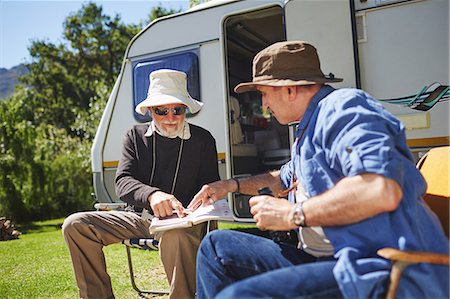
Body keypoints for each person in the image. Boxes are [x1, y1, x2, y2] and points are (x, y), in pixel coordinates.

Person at [189, 41, 449, 298]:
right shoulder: (308, 127)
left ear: (289, 89)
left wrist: (294, 214)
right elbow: (282, 179)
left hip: (378, 267)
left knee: (237, 295)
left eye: (264, 93)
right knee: (216, 246)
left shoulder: (343, 108)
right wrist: (229, 185)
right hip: (325, 258)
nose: (264, 104)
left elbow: (379, 189)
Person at [62, 69, 220, 299]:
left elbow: (211, 188)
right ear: (149, 111)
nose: (170, 117)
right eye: (161, 110)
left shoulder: (203, 139)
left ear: (185, 109)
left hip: (184, 222)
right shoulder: (134, 136)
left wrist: (190, 212)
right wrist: (152, 195)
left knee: (176, 235)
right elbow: (123, 182)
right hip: (139, 219)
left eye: (177, 109)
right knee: (75, 225)